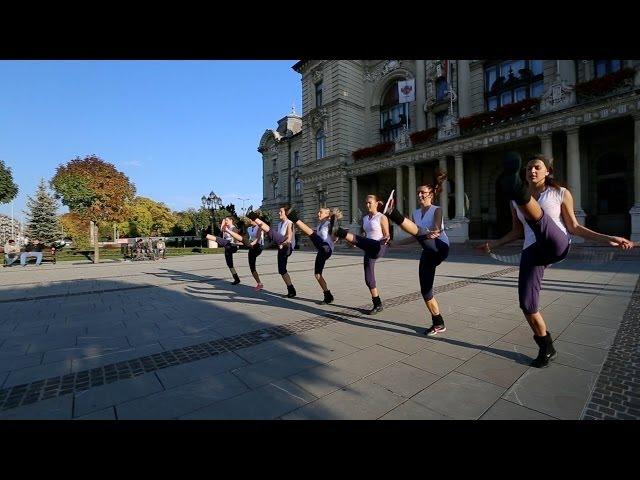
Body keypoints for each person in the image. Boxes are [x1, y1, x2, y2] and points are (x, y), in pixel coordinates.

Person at [478, 152, 634, 368]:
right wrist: (492, 245)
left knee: (541, 223)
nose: (532, 170)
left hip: (556, 243)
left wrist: (608, 239)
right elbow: (516, 231)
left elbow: (575, 227)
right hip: (533, 250)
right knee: (527, 304)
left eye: (537, 167)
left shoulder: (559, 193)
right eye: (528, 168)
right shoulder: (515, 204)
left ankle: (516, 189)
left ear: (547, 172)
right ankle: (546, 346)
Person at [382, 174, 450, 335]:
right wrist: (396, 243)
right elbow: (415, 236)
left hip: (439, 246)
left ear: (431, 194)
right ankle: (438, 322)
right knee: (425, 291)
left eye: (422, 192)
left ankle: (392, 212)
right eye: (418, 192)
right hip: (427, 249)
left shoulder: (437, 210)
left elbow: (435, 228)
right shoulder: (416, 213)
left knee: (420, 231)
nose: (419, 195)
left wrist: (434, 231)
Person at [334, 194, 390, 314]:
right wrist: (354, 243)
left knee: (362, 241)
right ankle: (377, 304)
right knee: (368, 278)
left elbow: (386, 235)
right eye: (366, 203)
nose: (367, 205)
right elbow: (365, 235)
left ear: (377, 203)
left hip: (379, 246)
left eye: (370, 202)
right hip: (368, 247)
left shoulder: (382, 217)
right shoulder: (365, 219)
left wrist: (386, 238)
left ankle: (339, 231)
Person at [286, 206, 342, 304]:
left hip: (326, 249)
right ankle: (328, 295)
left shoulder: (329, 224)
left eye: (321, 212)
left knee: (311, 233)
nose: (318, 214)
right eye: (318, 212)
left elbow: (334, 238)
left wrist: (335, 233)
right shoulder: (320, 225)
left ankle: (293, 217)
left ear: (327, 214)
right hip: (321, 249)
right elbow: (317, 239)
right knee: (317, 275)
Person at [247, 205, 297, 298]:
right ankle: (291, 290)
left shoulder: (289, 223)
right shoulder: (280, 224)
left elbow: (289, 237)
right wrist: (267, 246)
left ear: (286, 213)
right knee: (282, 270)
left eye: (281, 212)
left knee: (270, 231)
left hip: (287, 247)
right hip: (281, 247)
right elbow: (276, 238)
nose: (279, 213)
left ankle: (253, 216)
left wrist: (283, 244)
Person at [223, 214, 266, 291]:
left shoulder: (259, 227)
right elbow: (245, 240)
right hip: (251, 246)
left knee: (252, 261)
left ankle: (258, 284)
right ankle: (259, 284)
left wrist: (250, 244)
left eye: (251, 219)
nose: (249, 220)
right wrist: (237, 243)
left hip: (258, 246)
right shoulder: (249, 228)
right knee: (252, 267)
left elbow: (258, 238)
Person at [206, 217, 241, 285]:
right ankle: (236, 279)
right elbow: (222, 229)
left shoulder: (234, 228)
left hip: (233, 246)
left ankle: (208, 236)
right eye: (225, 221)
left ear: (231, 220)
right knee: (229, 264)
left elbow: (236, 239)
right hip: (227, 246)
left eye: (227, 220)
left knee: (220, 240)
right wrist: (223, 223)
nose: (226, 222)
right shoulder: (225, 228)